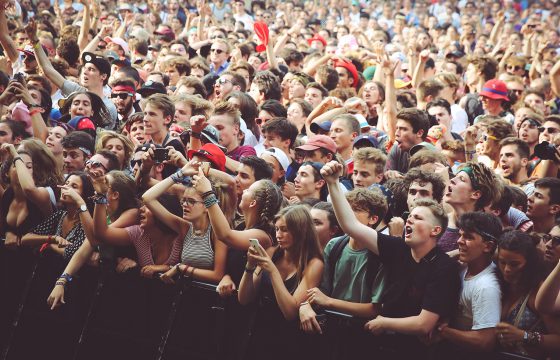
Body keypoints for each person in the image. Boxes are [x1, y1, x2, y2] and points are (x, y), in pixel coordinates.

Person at [321, 160, 460, 360]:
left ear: (436, 230)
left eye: (418, 218)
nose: (410, 220)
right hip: (380, 347)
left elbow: (424, 324)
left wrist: (385, 322)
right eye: (410, 216)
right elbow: (351, 226)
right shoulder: (399, 249)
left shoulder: (443, 267)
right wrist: (333, 183)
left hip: (415, 352)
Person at [238, 205, 324, 360]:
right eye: (277, 229)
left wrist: (272, 271)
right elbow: (244, 298)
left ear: (301, 230)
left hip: (289, 341)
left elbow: (290, 312)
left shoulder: (314, 264)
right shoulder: (272, 252)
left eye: (285, 229)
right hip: (260, 332)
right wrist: (249, 266)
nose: (279, 235)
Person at [46, 171, 140, 309]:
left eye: (105, 183)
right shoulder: (105, 212)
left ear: (115, 195)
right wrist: (61, 282)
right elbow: (85, 248)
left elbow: (97, 237)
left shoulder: (132, 212)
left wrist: (81, 202)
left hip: (128, 286)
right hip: (104, 284)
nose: (99, 185)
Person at [142, 161, 228, 284]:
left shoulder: (217, 232)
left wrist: (182, 268)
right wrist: (180, 173)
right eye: (184, 201)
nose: (185, 205)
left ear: (206, 206)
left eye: (191, 201)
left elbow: (217, 275)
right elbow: (147, 198)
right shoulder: (185, 227)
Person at [436, 212, 503, 359]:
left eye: (468, 237)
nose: (460, 241)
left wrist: (444, 331)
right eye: (460, 235)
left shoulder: (486, 286)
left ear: (488, 246)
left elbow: (485, 341)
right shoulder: (464, 267)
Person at [495, 230, 560, 359]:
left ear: (529, 263)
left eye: (514, 264)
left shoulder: (538, 292)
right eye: (502, 262)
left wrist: (524, 336)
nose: (507, 269)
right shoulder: (497, 284)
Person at [21, 171, 94, 261]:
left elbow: (73, 253)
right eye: (66, 183)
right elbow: (25, 239)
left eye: (74, 186)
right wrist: (53, 238)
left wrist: (50, 245)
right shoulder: (60, 215)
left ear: (85, 194)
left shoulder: (86, 222)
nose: (65, 187)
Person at [0, 140, 62, 247]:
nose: (22, 169)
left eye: (28, 167)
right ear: (7, 172)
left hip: (39, 259)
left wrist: (15, 155)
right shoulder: (8, 194)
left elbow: (28, 189)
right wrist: (7, 232)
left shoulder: (42, 193)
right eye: (17, 164)